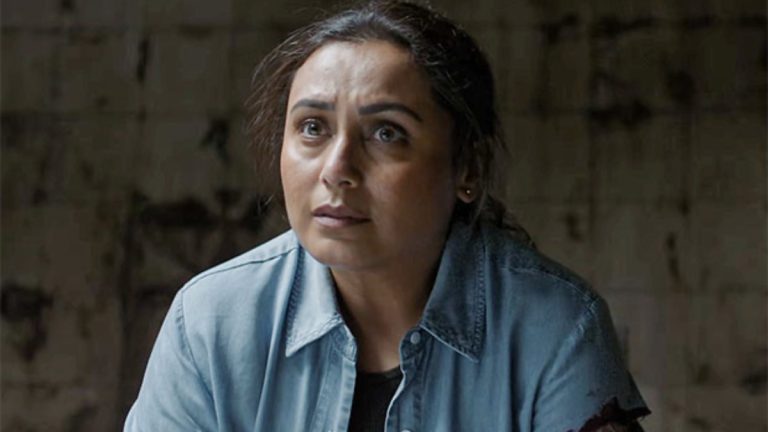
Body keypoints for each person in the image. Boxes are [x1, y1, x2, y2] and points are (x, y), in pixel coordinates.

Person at [124, 1, 650, 431]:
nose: (337, 169)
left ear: (467, 166)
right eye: (312, 128)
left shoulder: (555, 328)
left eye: (386, 133)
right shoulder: (212, 322)